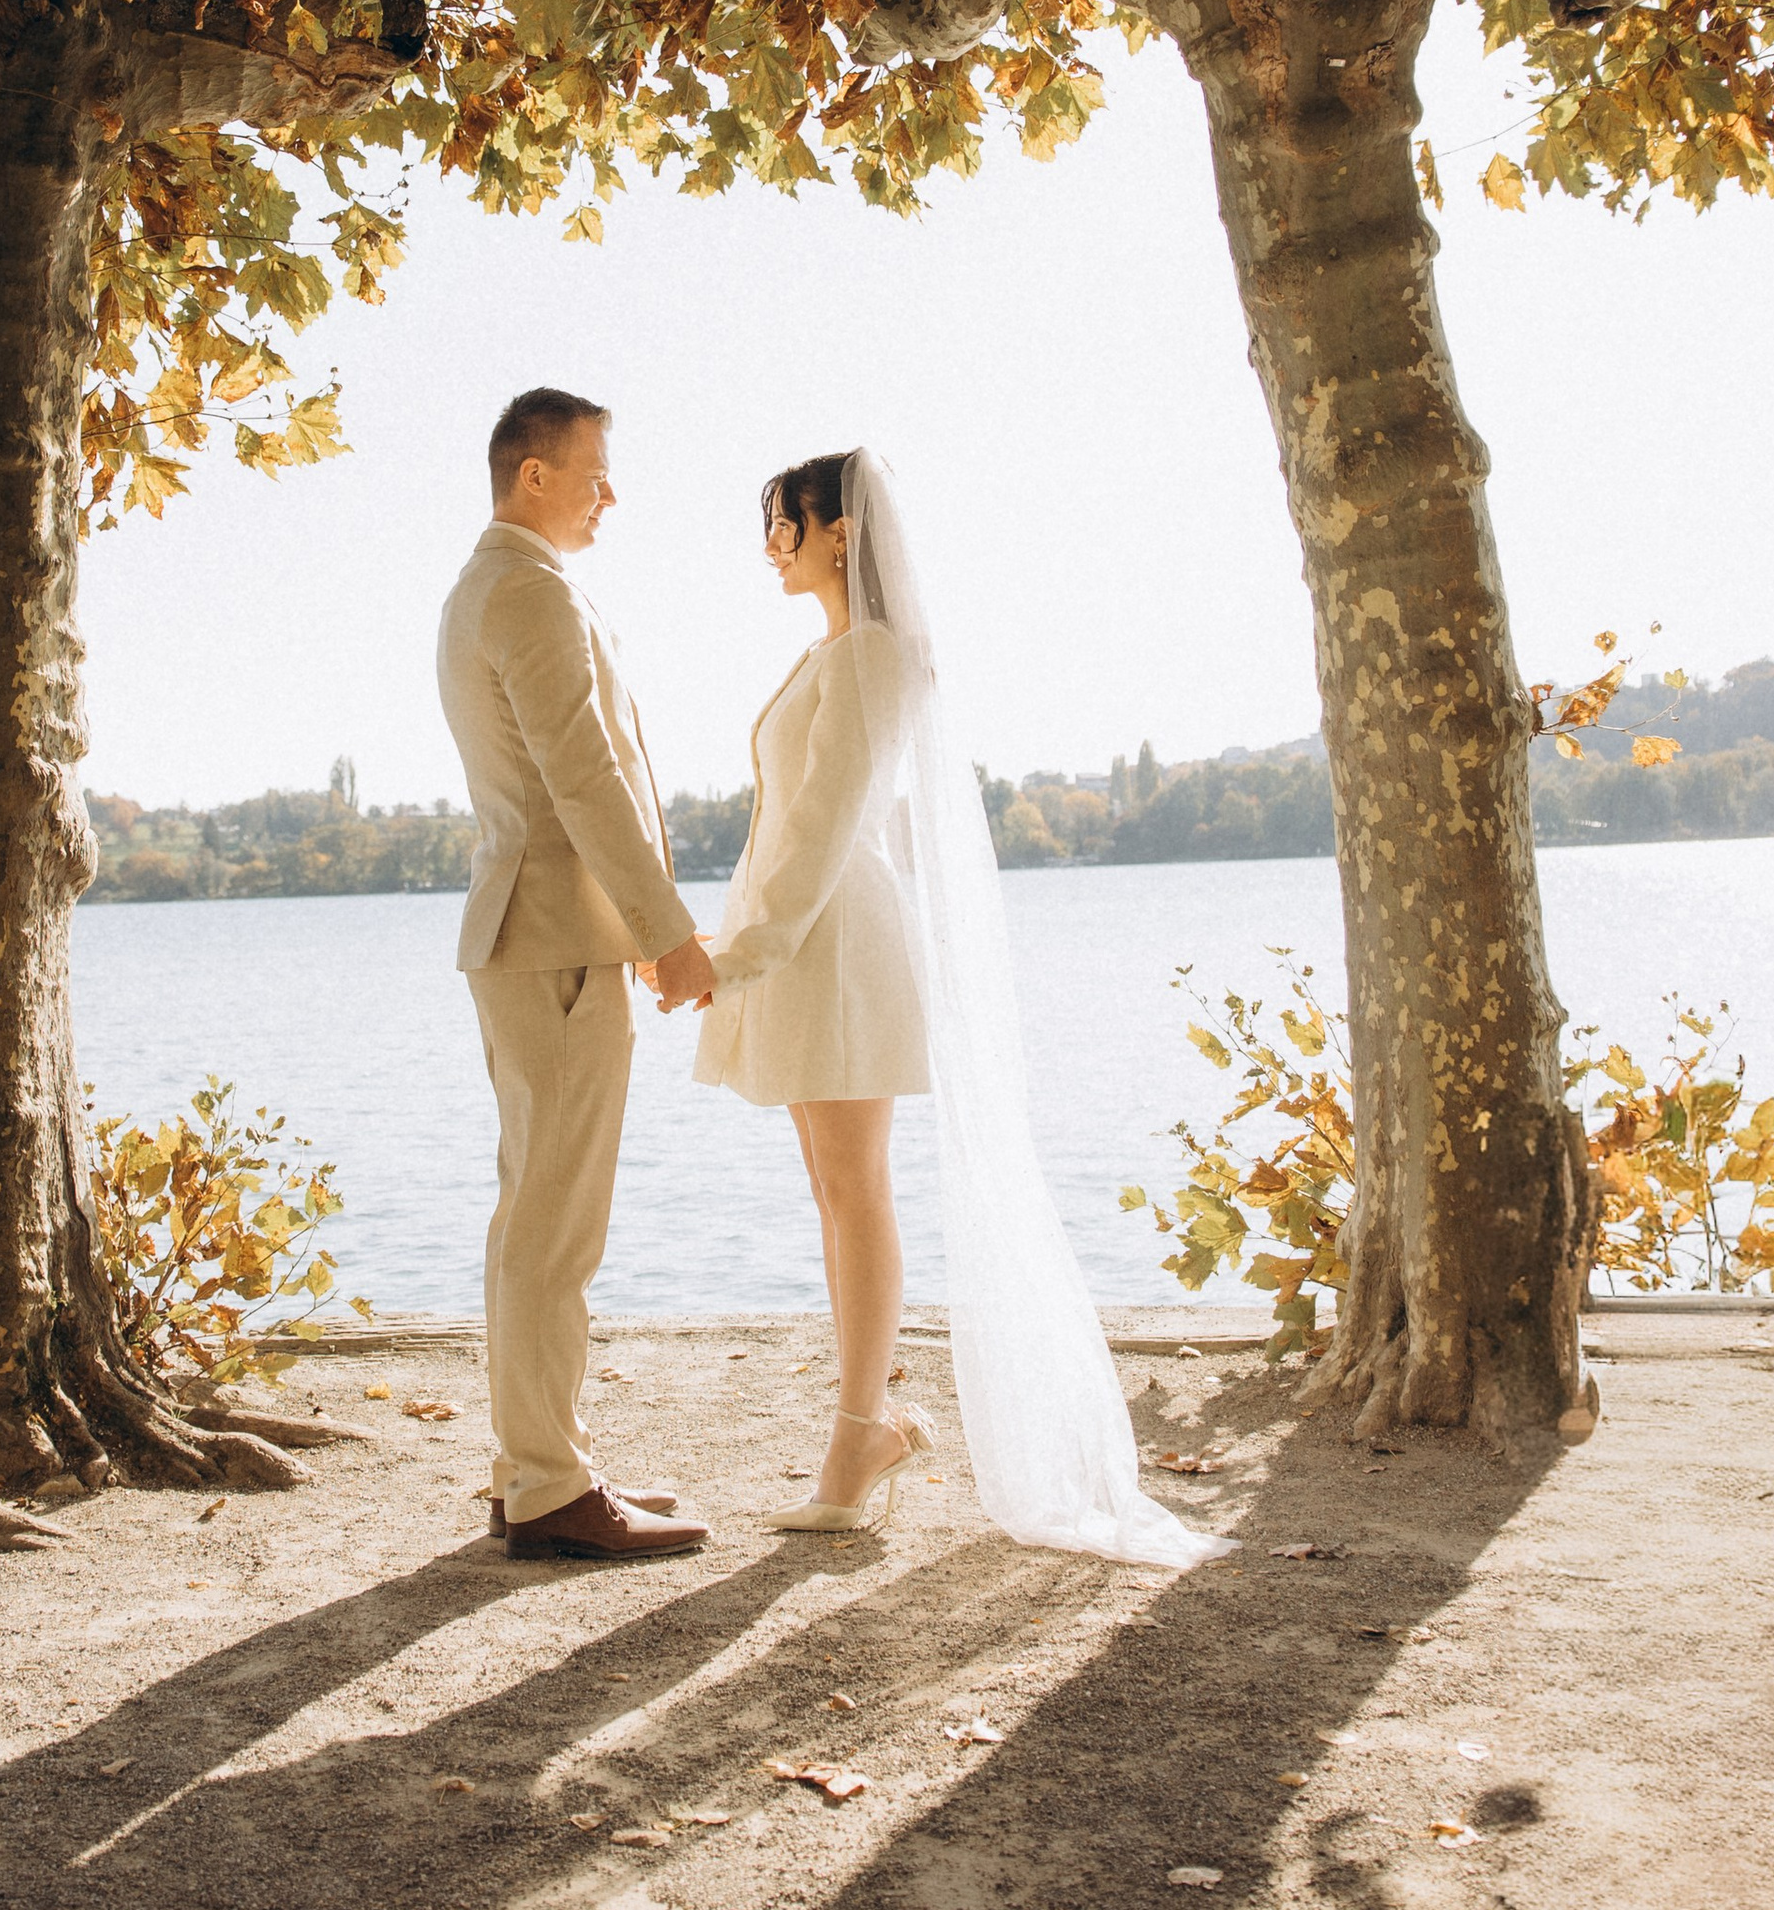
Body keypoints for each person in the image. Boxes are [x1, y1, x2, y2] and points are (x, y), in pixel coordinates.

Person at [668, 445, 1228, 1570]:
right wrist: (728, 944)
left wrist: (737, 952)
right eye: (766, 528)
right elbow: (790, 823)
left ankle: (856, 1439)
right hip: (798, 936)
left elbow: (826, 827)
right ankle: (868, 1427)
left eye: (789, 524)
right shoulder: (829, 651)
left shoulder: (877, 654)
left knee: (855, 1187)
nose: (772, 546)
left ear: (843, 531)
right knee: (832, 1190)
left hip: (836, 939)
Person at [436, 389, 714, 1561]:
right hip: (555, 941)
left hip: (530, 936)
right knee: (553, 1229)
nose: (611, 494)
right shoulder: (528, 590)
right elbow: (584, 779)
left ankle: (533, 1463)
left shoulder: (487, 586)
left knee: (533, 1218)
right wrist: (664, 929)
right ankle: (548, 1483)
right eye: (595, 472)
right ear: (533, 475)